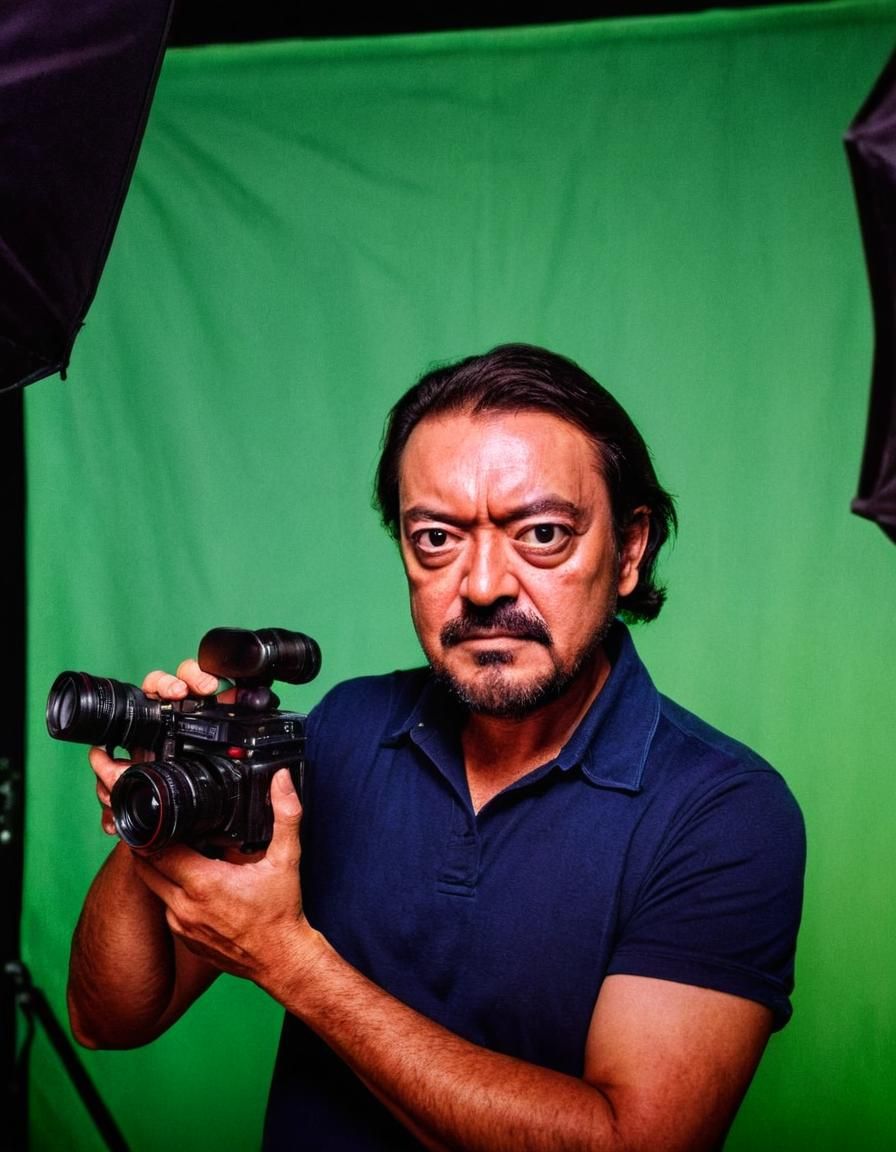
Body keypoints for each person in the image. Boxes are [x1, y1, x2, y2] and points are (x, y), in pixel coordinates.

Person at [68, 343, 805, 1152]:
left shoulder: (724, 811)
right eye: (436, 539)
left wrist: (292, 963)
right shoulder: (346, 730)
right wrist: (168, 804)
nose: (484, 584)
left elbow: (629, 1141)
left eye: (544, 533)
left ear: (630, 550)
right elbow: (108, 1018)